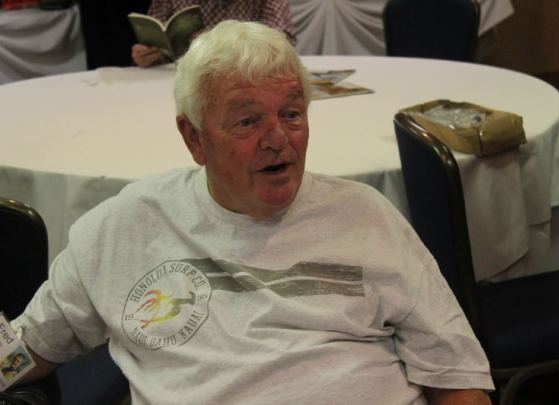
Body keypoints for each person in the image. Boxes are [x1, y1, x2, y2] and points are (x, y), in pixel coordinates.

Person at [13, 20, 494, 404]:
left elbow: (457, 375)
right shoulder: (125, 226)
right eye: (247, 121)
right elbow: (24, 347)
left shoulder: (366, 216)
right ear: (194, 138)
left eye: (291, 113)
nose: (278, 139)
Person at [132, 0, 295, 67]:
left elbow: (282, 41)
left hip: (245, 73)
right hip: (179, 78)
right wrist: (148, 55)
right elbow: (158, 37)